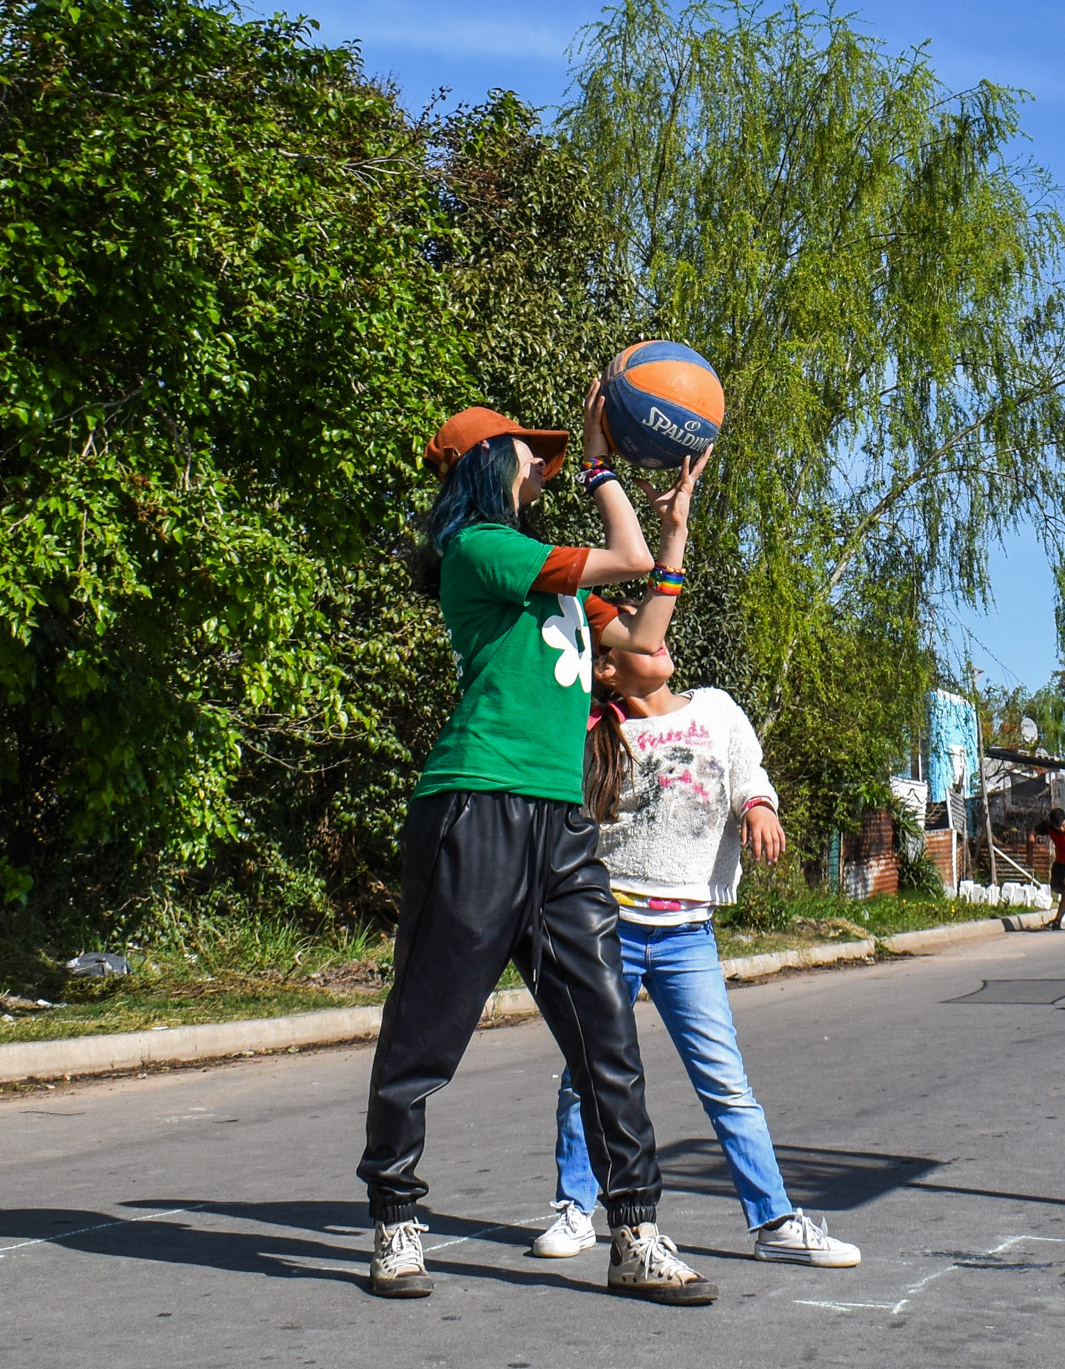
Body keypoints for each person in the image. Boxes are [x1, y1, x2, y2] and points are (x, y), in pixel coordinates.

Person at [356, 393, 713, 1306]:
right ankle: (396, 1218)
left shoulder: (552, 584)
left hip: (560, 827)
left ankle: (634, 1232)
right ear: (488, 462)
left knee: (605, 1034)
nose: (543, 466)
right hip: (474, 811)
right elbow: (618, 555)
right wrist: (602, 468)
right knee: (426, 1032)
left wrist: (673, 536)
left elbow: (642, 648)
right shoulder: (482, 552)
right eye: (532, 453)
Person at [526, 497, 863, 1272]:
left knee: (726, 1084)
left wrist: (760, 806)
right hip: (609, 929)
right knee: (587, 1078)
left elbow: (750, 774)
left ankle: (773, 1221)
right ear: (606, 665)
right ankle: (579, 1210)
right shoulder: (598, 730)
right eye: (636, 641)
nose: (659, 642)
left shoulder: (715, 709)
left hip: (686, 934)